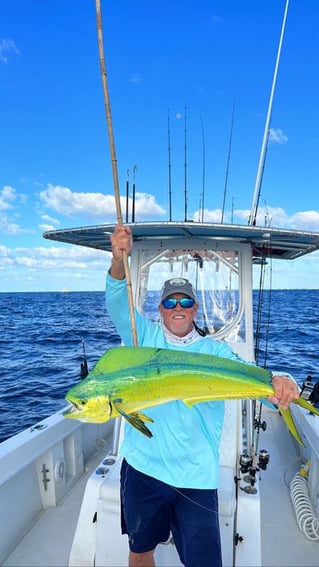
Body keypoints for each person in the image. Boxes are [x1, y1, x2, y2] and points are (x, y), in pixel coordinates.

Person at [105, 225, 300, 567]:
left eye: (185, 301)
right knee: (140, 551)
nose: (177, 307)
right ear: (161, 308)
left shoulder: (216, 353)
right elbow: (117, 298)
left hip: (195, 478)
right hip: (143, 470)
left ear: (195, 308)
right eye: (169, 301)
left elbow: (250, 375)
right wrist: (118, 257)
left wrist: (279, 382)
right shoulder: (142, 336)